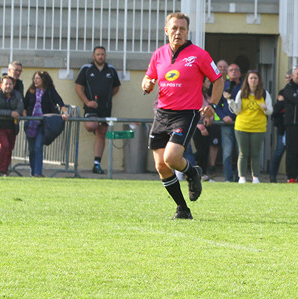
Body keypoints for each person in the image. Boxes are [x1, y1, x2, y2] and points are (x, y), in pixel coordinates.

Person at [142, 12, 223, 218]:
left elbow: (218, 80)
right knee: (161, 166)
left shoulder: (199, 55)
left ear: (187, 32)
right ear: (166, 30)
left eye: (182, 29)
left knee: (171, 158)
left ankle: (192, 172)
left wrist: (212, 105)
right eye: (174, 28)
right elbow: (148, 78)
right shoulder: (158, 54)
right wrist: (147, 84)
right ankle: (183, 209)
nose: (178, 32)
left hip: (186, 114)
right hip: (162, 113)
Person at [75, 46, 122, 174]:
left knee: (102, 133)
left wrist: (107, 97)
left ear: (105, 56)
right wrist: (87, 102)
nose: (100, 56)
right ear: (93, 56)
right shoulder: (86, 69)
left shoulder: (111, 70)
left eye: (102, 54)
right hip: (91, 107)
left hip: (105, 107)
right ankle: (94, 128)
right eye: (98, 54)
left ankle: (97, 164)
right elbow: (78, 87)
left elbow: (116, 87)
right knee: (91, 125)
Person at [229, 70, 272, 185]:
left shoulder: (264, 94)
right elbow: (237, 111)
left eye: (255, 78)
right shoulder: (241, 93)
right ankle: (242, 177)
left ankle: (255, 177)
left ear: (259, 80)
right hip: (242, 127)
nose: (253, 80)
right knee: (243, 153)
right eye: (251, 78)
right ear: (247, 80)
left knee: (255, 153)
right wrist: (230, 102)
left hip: (258, 128)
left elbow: (270, 111)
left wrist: (265, 108)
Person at [22, 71, 66, 177]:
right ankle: (33, 172)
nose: (35, 80)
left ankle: (38, 173)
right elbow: (24, 106)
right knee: (32, 149)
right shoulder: (30, 91)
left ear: (43, 79)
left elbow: (60, 102)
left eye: (38, 78)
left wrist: (65, 113)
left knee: (38, 146)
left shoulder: (50, 91)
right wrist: (26, 119)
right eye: (34, 78)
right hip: (31, 124)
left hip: (44, 123)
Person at [0, 75, 24, 177]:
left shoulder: (17, 95)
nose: (8, 86)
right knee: (4, 145)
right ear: (1, 85)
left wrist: (17, 112)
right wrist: (10, 113)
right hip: (0, 126)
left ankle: (5, 171)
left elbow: (20, 108)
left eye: (10, 84)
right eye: (6, 84)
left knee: (9, 149)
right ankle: (1, 171)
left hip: (12, 126)